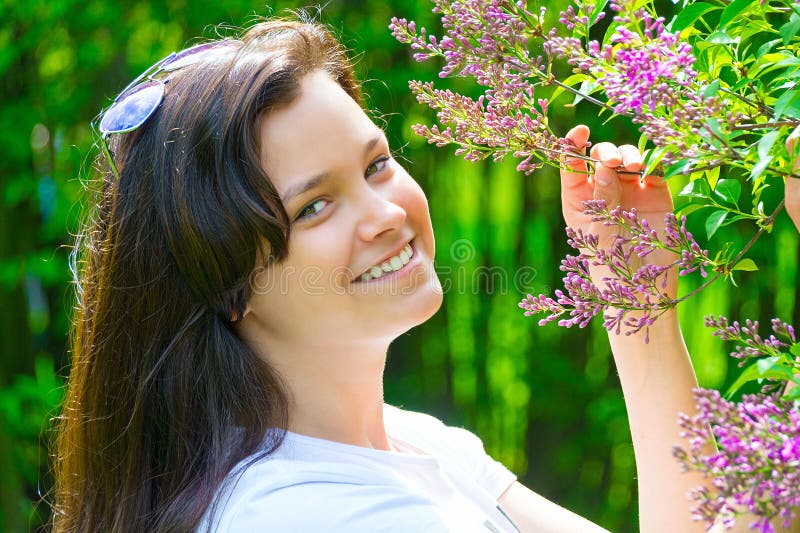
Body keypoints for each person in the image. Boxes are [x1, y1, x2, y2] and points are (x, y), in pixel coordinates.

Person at [52, 17, 800, 533]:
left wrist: (633, 285)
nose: (383, 212)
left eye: (376, 164)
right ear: (224, 282)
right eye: (314, 206)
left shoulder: (414, 447)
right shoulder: (300, 512)